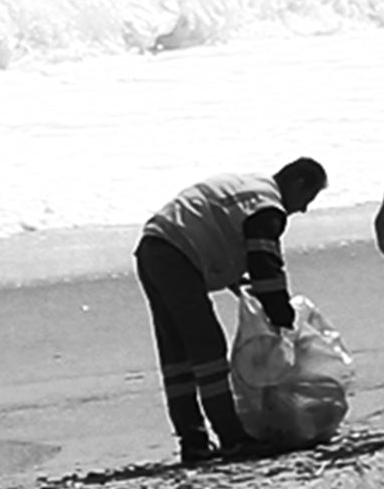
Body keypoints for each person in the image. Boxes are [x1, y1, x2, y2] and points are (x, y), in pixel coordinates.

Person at [134, 155, 326, 465]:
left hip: (152, 247)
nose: (303, 208)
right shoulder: (268, 208)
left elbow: (221, 232)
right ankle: (231, 438)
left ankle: (193, 441)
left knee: (178, 354)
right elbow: (267, 267)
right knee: (208, 349)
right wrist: (282, 318)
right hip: (176, 254)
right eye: (308, 198)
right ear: (297, 183)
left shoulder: (250, 187)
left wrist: (239, 281)